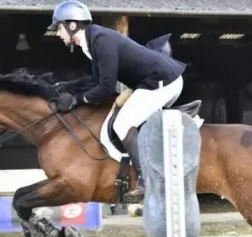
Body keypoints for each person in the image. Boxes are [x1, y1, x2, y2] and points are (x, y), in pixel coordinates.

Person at [47, 0, 187, 203]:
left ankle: (147, 180)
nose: (58, 34)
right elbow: (97, 81)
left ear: (72, 25)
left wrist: (76, 100)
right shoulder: (91, 42)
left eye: (58, 28)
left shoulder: (101, 40)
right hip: (152, 81)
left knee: (122, 124)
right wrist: (67, 87)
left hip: (163, 80)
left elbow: (105, 89)